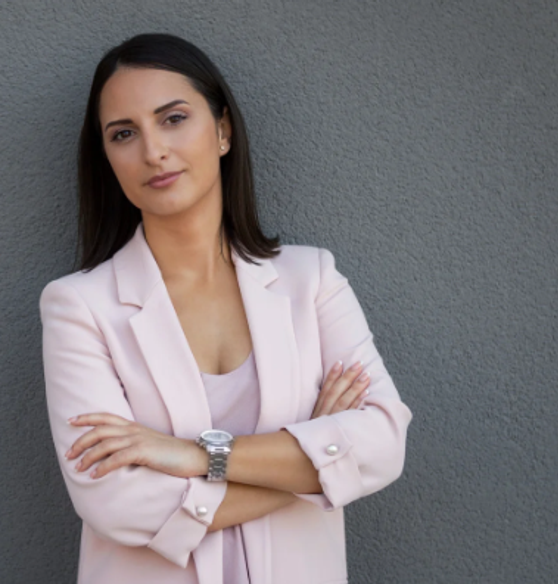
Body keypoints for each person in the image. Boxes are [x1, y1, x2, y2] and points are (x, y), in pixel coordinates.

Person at [38, 33, 413, 584]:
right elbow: (117, 503)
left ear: (222, 130)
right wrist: (314, 463)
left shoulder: (311, 281)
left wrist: (191, 455)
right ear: (108, 159)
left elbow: (383, 443)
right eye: (124, 134)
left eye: (173, 118)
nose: (152, 151)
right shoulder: (78, 307)